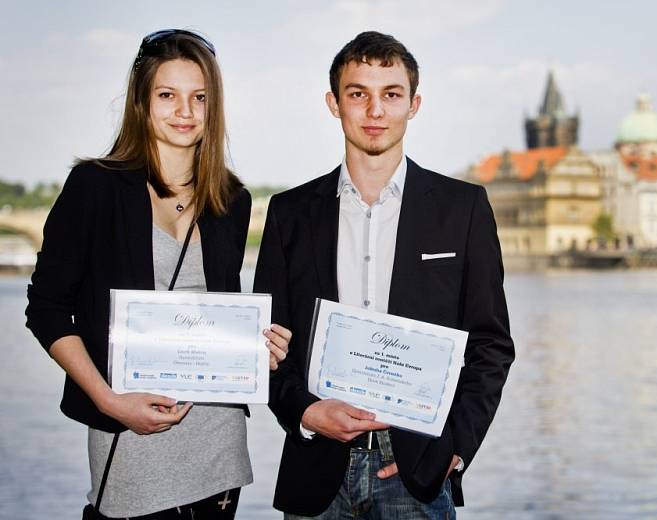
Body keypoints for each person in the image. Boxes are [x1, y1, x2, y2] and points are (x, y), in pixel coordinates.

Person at [25, 29, 290, 519]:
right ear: (142, 103)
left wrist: (261, 348)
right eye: (168, 95)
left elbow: (215, 315)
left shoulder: (232, 201)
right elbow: (46, 309)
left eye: (200, 98)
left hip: (217, 445)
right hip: (128, 438)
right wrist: (108, 401)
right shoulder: (94, 187)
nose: (185, 111)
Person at [254, 31, 514, 518]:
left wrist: (456, 446)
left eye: (391, 95)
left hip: (417, 471)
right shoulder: (289, 213)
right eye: (358, 94)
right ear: (334, 104)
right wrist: (305, 413)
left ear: (413, 104)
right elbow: (267, 343)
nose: (375, 111)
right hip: (316, 471)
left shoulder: (463, 209)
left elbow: (491, 344)